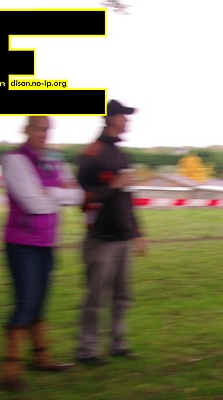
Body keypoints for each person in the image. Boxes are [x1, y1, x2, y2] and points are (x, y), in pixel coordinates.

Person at [0, 116, 85, 391]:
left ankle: (42, 359)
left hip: (46, 242)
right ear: (26, 129)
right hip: (21, 243)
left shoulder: (54, 159)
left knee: (39, 303)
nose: (44, 133)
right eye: (38, 128)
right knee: (25, 303)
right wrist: (59, 195)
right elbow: (32, 204)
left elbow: (79, 195)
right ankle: (9, 370)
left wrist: (49, 193)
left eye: (47, 129)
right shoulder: (14, 160)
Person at [75, 99, 148, 364]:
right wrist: (112, 186)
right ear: (111, 118)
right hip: (100, 237)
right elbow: (82, 196)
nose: (127, 121)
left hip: (122, 238)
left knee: (123, 296)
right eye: (124, 116)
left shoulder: (121, 155)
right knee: (95, 297)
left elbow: (126, 199)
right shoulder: (92, 153)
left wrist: (137, 233)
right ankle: (87, 350)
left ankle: (118, 344)